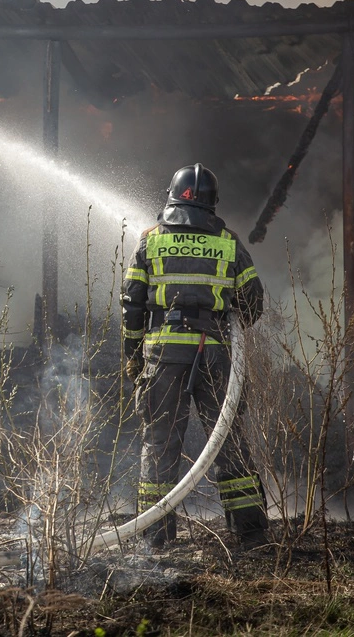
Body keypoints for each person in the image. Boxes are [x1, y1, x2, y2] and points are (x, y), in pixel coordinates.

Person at [121, 163, 267, 549]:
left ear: (172, 197)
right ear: (212, 203)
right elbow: (252, 306)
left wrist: (132, 356)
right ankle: (251, 535)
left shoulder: (149, 241)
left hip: (163, 357)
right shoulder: (229, 243)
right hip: (216, 357)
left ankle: (156, 539)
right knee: (228, 440)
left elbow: (132, 306)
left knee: (160, 443)